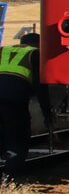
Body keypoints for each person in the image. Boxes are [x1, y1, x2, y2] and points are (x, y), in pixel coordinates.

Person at [0, 32, 42, 186]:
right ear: (37, 44)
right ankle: (8, 179)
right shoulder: (34, 53)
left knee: (2, 137)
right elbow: (40, 88)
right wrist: (48, 115)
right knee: (19, 140)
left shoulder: (3, 49)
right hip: (14, 101)